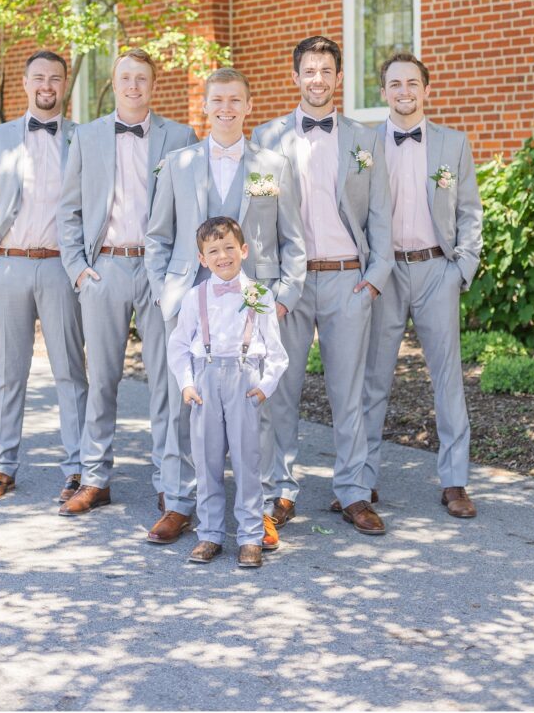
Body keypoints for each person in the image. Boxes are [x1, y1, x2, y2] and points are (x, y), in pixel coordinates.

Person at [145, 67, 306, 546]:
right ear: (205, 105)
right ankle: (179, 503)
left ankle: (259, 511)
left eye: (235, 100)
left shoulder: (273, 166)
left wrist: (280, 299)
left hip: (253, 304)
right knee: (180, 402)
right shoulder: (179, 162)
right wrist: (164, 292)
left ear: (248, 106)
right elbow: (157, 237)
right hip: (189, 301)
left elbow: (292, 240)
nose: (226, 108)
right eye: (218, 100)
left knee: (256, 406)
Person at [252, 36, 393, 535]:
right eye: (308, 70)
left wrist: (374, 279)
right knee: (279, 390)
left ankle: (353, 491)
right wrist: (264, 288)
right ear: (295, 77)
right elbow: (257, 219)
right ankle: (279, 492)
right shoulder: (266, 138)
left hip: (347, 281)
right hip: (288, 285)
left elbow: (380, 215)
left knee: (348, 392)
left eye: (325, 70)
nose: (317, 79)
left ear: (338, 78)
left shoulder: (365, 140)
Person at [56, 48, 197, 517]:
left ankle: (170, 479)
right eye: (126, 78)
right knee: (103, 378)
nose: (134, 86)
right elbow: (69, 209)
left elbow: (192, 211)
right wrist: (78, 268)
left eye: (142, 78)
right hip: (106, 269)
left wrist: (183, 273)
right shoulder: (88, 136)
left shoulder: (180, 137)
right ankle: (95, 476)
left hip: (161, 273)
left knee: (167, 377)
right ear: (113, 84)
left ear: (153, 86)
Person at [0, 50, 88, 503]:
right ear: (26, 85)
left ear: (64, 84)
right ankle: (1, 466)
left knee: (70, 371)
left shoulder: (84, 139)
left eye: (55, 78)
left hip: (59, 268)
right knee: (10, 373)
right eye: (39, 78)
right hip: (5, 267)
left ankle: (78, 469)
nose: (47, 85)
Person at [360, 52, 483, 518]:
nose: (404, 92)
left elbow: (470, 210)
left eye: (412, 83)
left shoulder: (453, 144)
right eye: (395, 84)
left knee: (448, 379)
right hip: (385, 273)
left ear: (426, 90)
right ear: (384, 92)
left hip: (437, 272)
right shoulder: (365, 144)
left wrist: (461, 269)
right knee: (373, 380)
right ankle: (361, 479)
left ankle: (454, 481)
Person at [168, 217, 289, 568]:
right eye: (213, 251)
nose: (223, 256)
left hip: (244, 380)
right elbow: (178, 346)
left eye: (229, 248)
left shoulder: (260, 295)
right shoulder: (195, 297)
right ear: (202, 258)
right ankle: (210, 533)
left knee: (247, 460)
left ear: (244, 250)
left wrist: (264, 388)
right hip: (205, 378)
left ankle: (251, 535)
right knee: (206, 461)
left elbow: (277, 353)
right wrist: (187, 384)